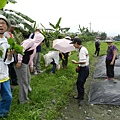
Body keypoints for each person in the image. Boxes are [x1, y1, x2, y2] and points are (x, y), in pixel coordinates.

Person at [14, 31, 44, 104]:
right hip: (20, 63)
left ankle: (26, 92)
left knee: (28, 78)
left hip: (25, 63)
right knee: (23, 81)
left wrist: (31, 66)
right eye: (42, 41)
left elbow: (31, 57)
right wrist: (19, 61)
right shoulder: (30, 42)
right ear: (38, 40)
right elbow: (21, 50)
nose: (42, 43)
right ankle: (23, 100)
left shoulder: (35, 47)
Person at [0, 15, 14, 118]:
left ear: (7, 26)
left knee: (8, 97)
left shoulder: (7, 41)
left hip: (4, 75)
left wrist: (10, 56)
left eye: (3, 23)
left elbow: (8, 60)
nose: (1, 25)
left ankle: (2, 113)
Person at [70, 38, 89, 106]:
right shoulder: (81, 49)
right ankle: (79, 96)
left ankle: (82, 99)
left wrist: (76, 62)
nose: (73, 45)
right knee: (78, 83)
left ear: (76, 43)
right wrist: (79, 65)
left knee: (80, 83)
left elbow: (84, 61)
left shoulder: (82, 50)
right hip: (82, 68)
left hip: (84, 69)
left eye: (74, 44)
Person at [4, 19, 19, 85]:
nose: (14, 28)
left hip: (11, 52)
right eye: (13, 27)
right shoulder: (4, 34)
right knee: (8, 67)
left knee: (11, 67)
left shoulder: (11, 34)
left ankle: (14, 81)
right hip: (6, 53)